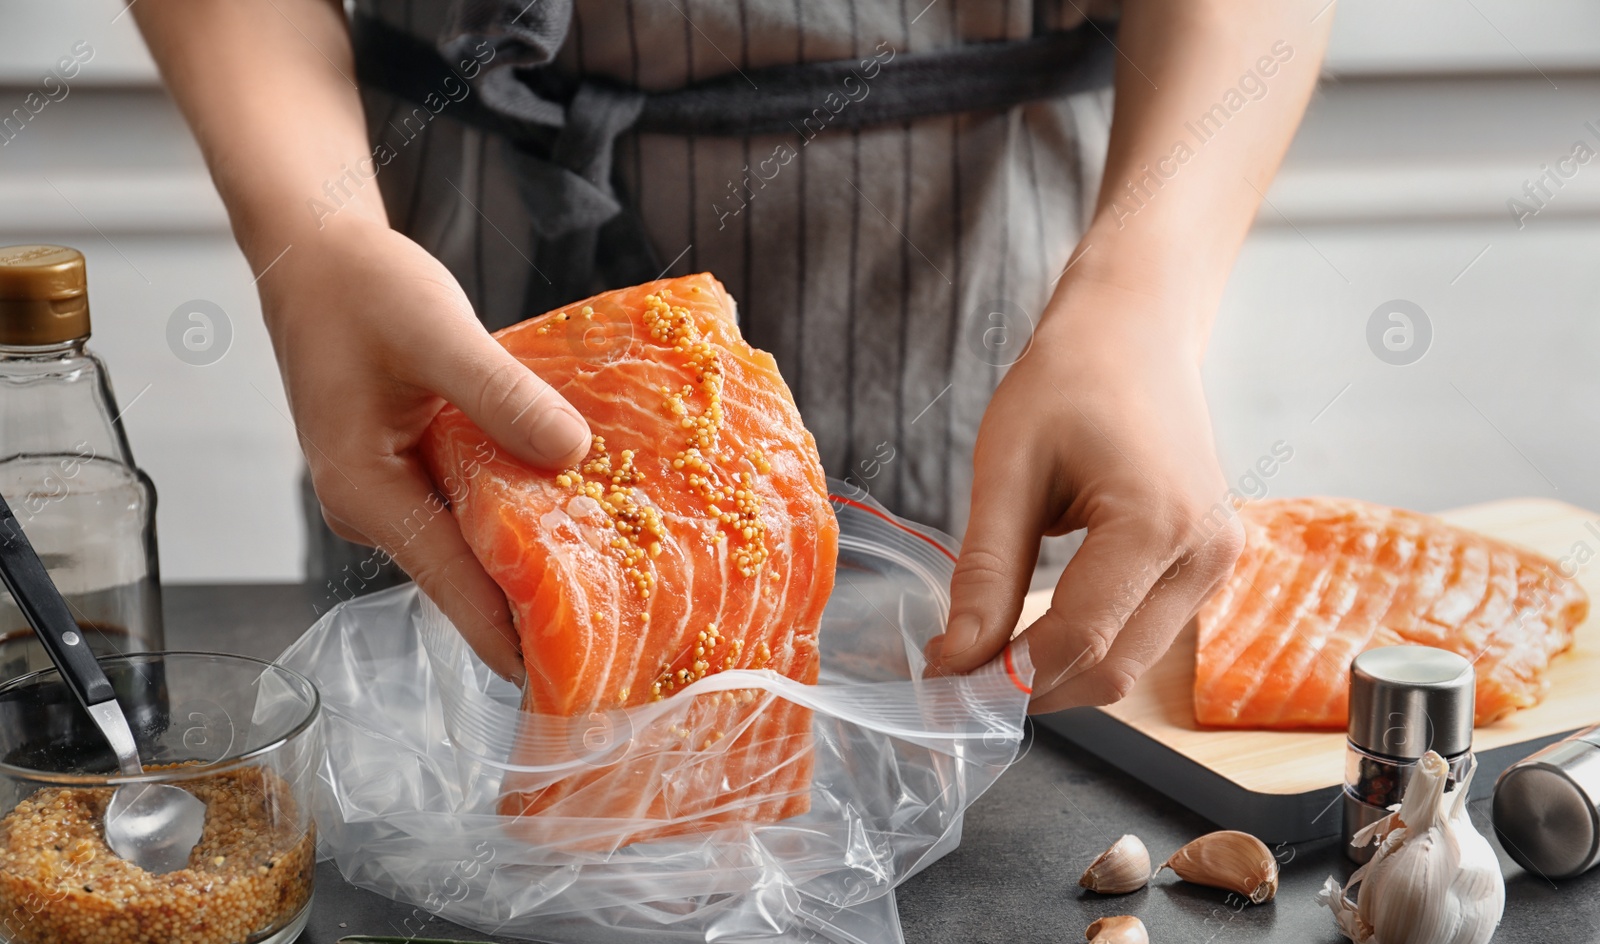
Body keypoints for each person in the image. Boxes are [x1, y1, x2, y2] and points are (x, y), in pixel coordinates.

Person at [134, 0, 1330, 711]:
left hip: (978, 299)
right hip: (431, 292)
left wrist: (1145, 295)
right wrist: (313, 238)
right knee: (437, 828)